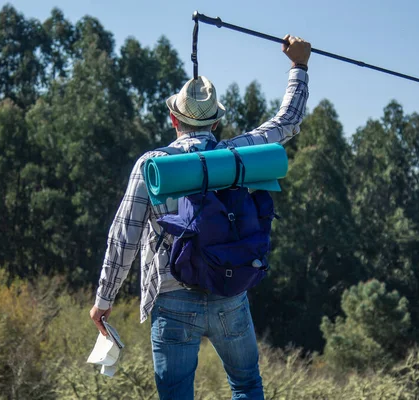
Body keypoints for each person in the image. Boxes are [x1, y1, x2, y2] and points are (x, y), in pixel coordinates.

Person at [90, 34, 311, 400]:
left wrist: (104, 298)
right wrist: (298, 66)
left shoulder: (152, 166)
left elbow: (124, 235)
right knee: (246, 385)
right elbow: (286, 122)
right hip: (230, 292)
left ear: (174, 119)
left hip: (172, 298)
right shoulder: (235, 157)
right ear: (216, 123)